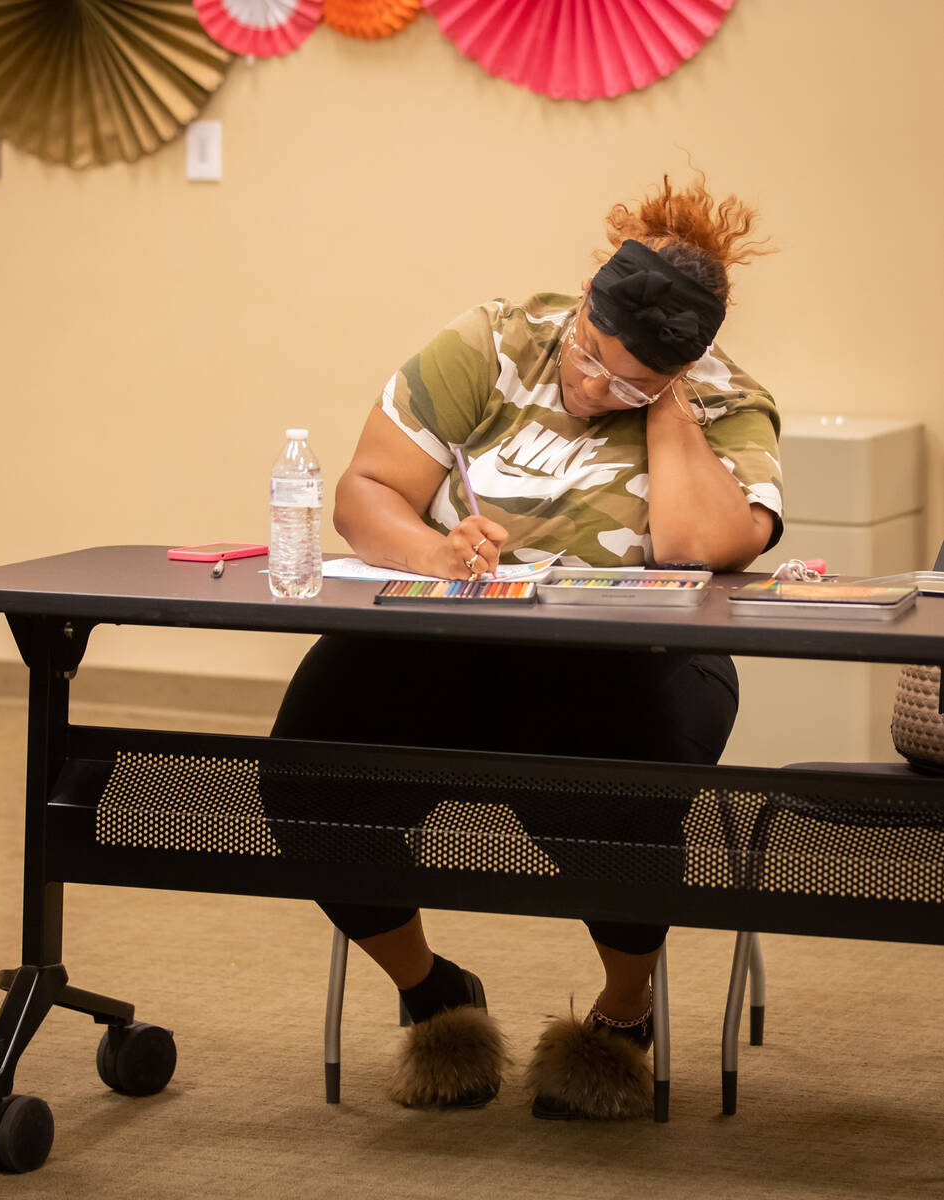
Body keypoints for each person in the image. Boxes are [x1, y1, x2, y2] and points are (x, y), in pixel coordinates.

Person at [268, 175, 782, 1119]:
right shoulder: (495, 340)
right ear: (582, 297)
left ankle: (620, 1019)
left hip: (639, 666)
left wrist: (662, 411)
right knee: (307, 772)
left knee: (610, 793)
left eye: (627, 377)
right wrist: (436, 551)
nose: (592, 384)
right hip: (454, 633)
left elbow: (691, 549)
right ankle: (431, 991)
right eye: (589, 352)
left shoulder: (728, 404)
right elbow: (363, 493)